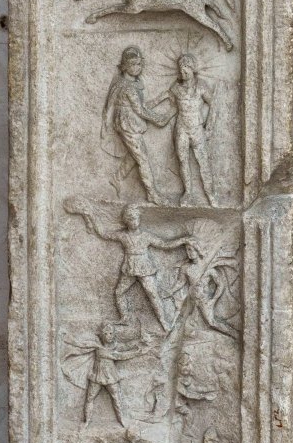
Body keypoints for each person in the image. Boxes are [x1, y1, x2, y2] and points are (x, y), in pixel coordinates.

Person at [76, 203, 192, 331]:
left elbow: (165, 244)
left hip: (144, 267)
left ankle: (163, 321)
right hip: (129, 268)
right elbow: (104, 234)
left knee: (152, 294)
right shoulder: (123, 235)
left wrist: (182, 240)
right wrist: (90, 216)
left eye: (135, 218)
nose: (134, 221)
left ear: (139, 219)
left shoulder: (146, 236)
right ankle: (125, 318)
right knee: (119, 292)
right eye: (130, 219)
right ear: (126, 221)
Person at [102, 46, 168, 205]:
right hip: (128, 124)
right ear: (125, 66)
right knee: (143, 159)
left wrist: (161, 98)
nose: (139, 67)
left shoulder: (127, 83)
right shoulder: (127, 87)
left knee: (135, 155)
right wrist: (158, 119)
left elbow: (141, 106)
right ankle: (152, 194)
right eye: (134, 64)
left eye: (140, 64)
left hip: (130, 121)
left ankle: (116, 178)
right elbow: (140, 110)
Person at [151, 54, 217, 206]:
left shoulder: (201, 86)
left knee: (203, 161)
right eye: (181, 68)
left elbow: (213, 104)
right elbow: (171, 104)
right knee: (183, 160)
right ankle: (188, 193)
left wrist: (209, 127)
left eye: (187, 68)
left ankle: (210, 193)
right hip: (181, 128)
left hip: (197, 128)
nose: (183, 71)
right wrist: (154, 108)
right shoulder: (176, 88)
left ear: (193, 69)